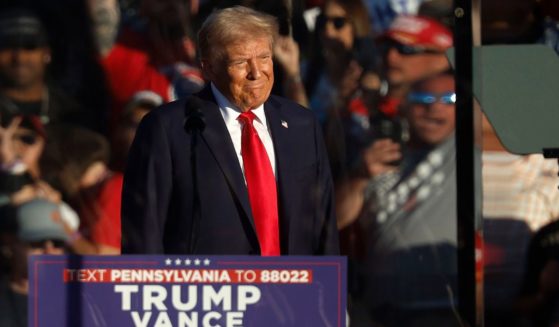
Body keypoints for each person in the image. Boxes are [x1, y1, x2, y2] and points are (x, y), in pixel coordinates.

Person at [121, 6, 339, 255]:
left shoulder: (302, 125)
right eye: (240, 62)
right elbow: (144, 234)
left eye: (264, 58)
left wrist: (328, 290)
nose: (256, 73)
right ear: (209, 67)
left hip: (292, 289)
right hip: (206, 291)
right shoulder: (169, 129)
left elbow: (324, 225)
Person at [336, 71, 461, 326]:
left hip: (449, 307)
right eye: (423, 98)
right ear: (404, 107)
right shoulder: (373, 155)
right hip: (383, 309)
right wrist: (360, 175)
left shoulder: (465, 150)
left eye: (449, 99)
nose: (434, 107)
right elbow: (334, 220)